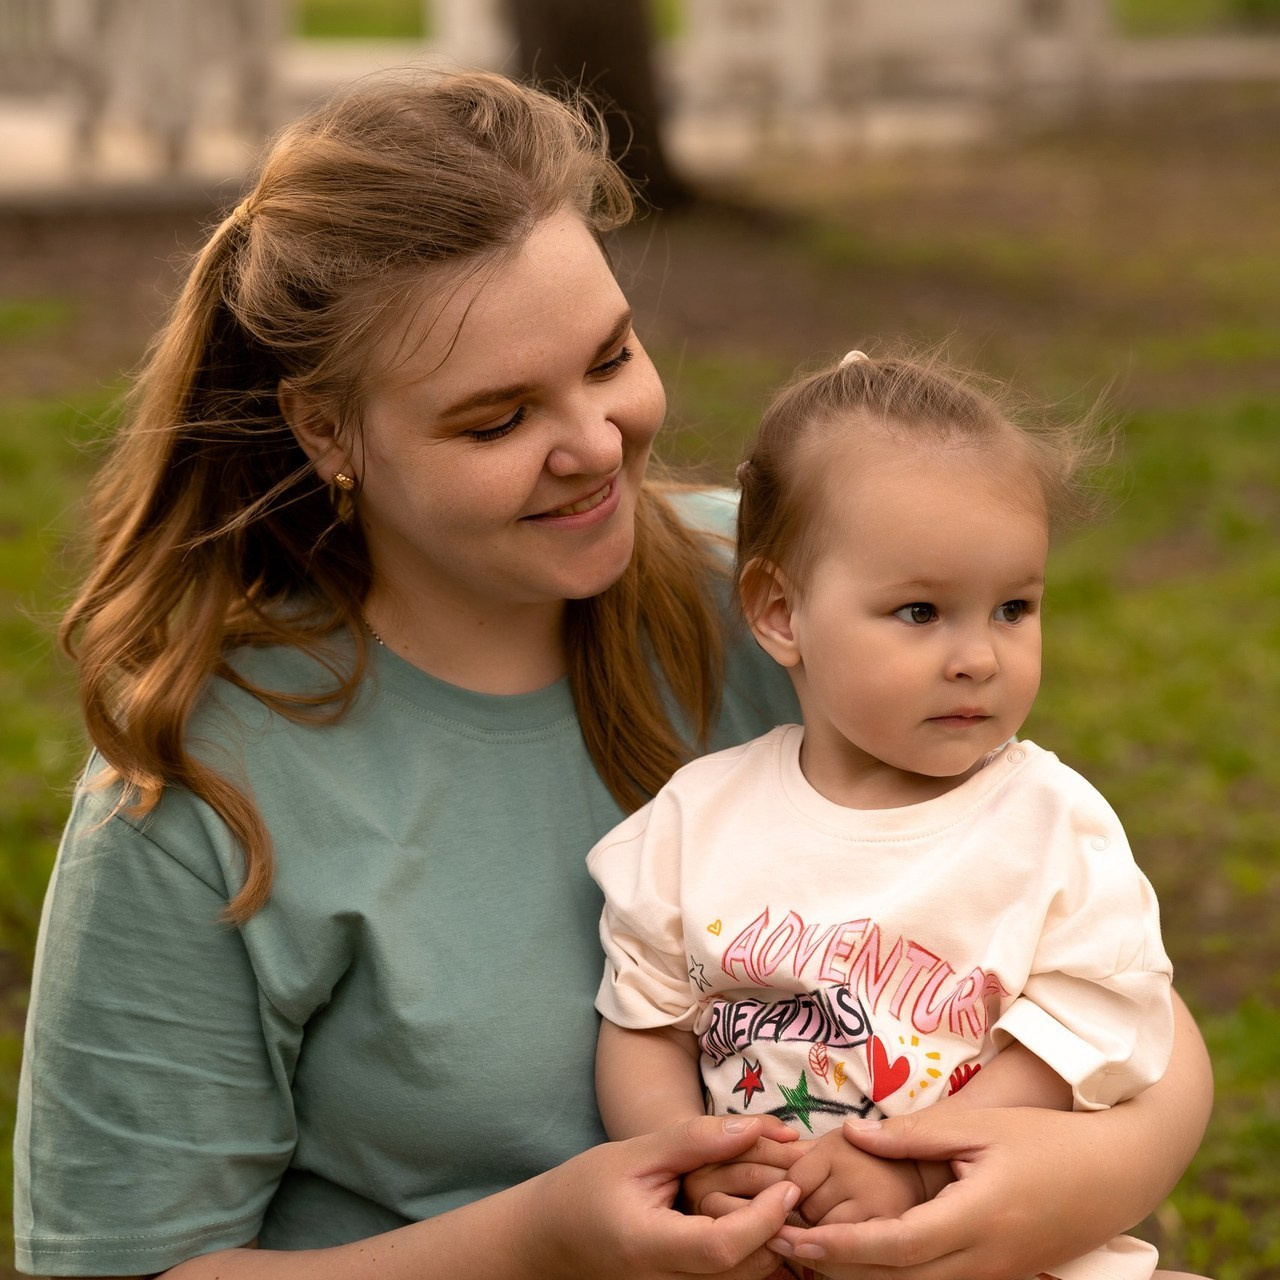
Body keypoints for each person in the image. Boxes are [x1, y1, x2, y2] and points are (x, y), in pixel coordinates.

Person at [13, 70, 1211, 1280]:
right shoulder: (196, 794)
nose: (593, 446)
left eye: (609, 357)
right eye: (495, 421)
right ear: (327, 430)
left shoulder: (793, 603)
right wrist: (539, 1242)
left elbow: (1091, 961)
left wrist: (1060, 1183)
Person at [590, 351, 1182, 1280]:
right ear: (781, 611)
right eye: (921, 611)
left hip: (989, 1252)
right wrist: (696, 1160)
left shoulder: (1047, 825)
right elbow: (643, 1025)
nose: (978, 658)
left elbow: (1084, 1034)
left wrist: (918, 1166)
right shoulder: (695, 822)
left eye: (1013, 609)